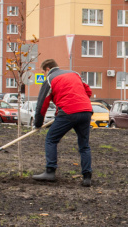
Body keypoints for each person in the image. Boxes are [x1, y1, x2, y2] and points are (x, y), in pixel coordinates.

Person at [31, 59, 93, 187]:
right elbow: (88, 92)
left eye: (43, 72)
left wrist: (37, 124)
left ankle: (50, 171)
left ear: (47, 69)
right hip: (86, 111)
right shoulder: (74, 74)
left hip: (68, 112)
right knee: (84, 145)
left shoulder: (50, 79)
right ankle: (87, 177)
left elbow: (42, 104)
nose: (43, 75)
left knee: (51, 139)